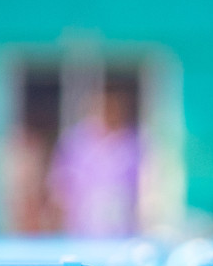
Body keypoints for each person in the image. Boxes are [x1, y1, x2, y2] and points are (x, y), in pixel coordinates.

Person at [49, 86, 144, 239]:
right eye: (103, 109)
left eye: (112, 109)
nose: (107, 114)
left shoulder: (134, 142)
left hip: (123, 223)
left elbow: (145, 183)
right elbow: (61, 181)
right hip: (83, 221)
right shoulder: (75, 141)